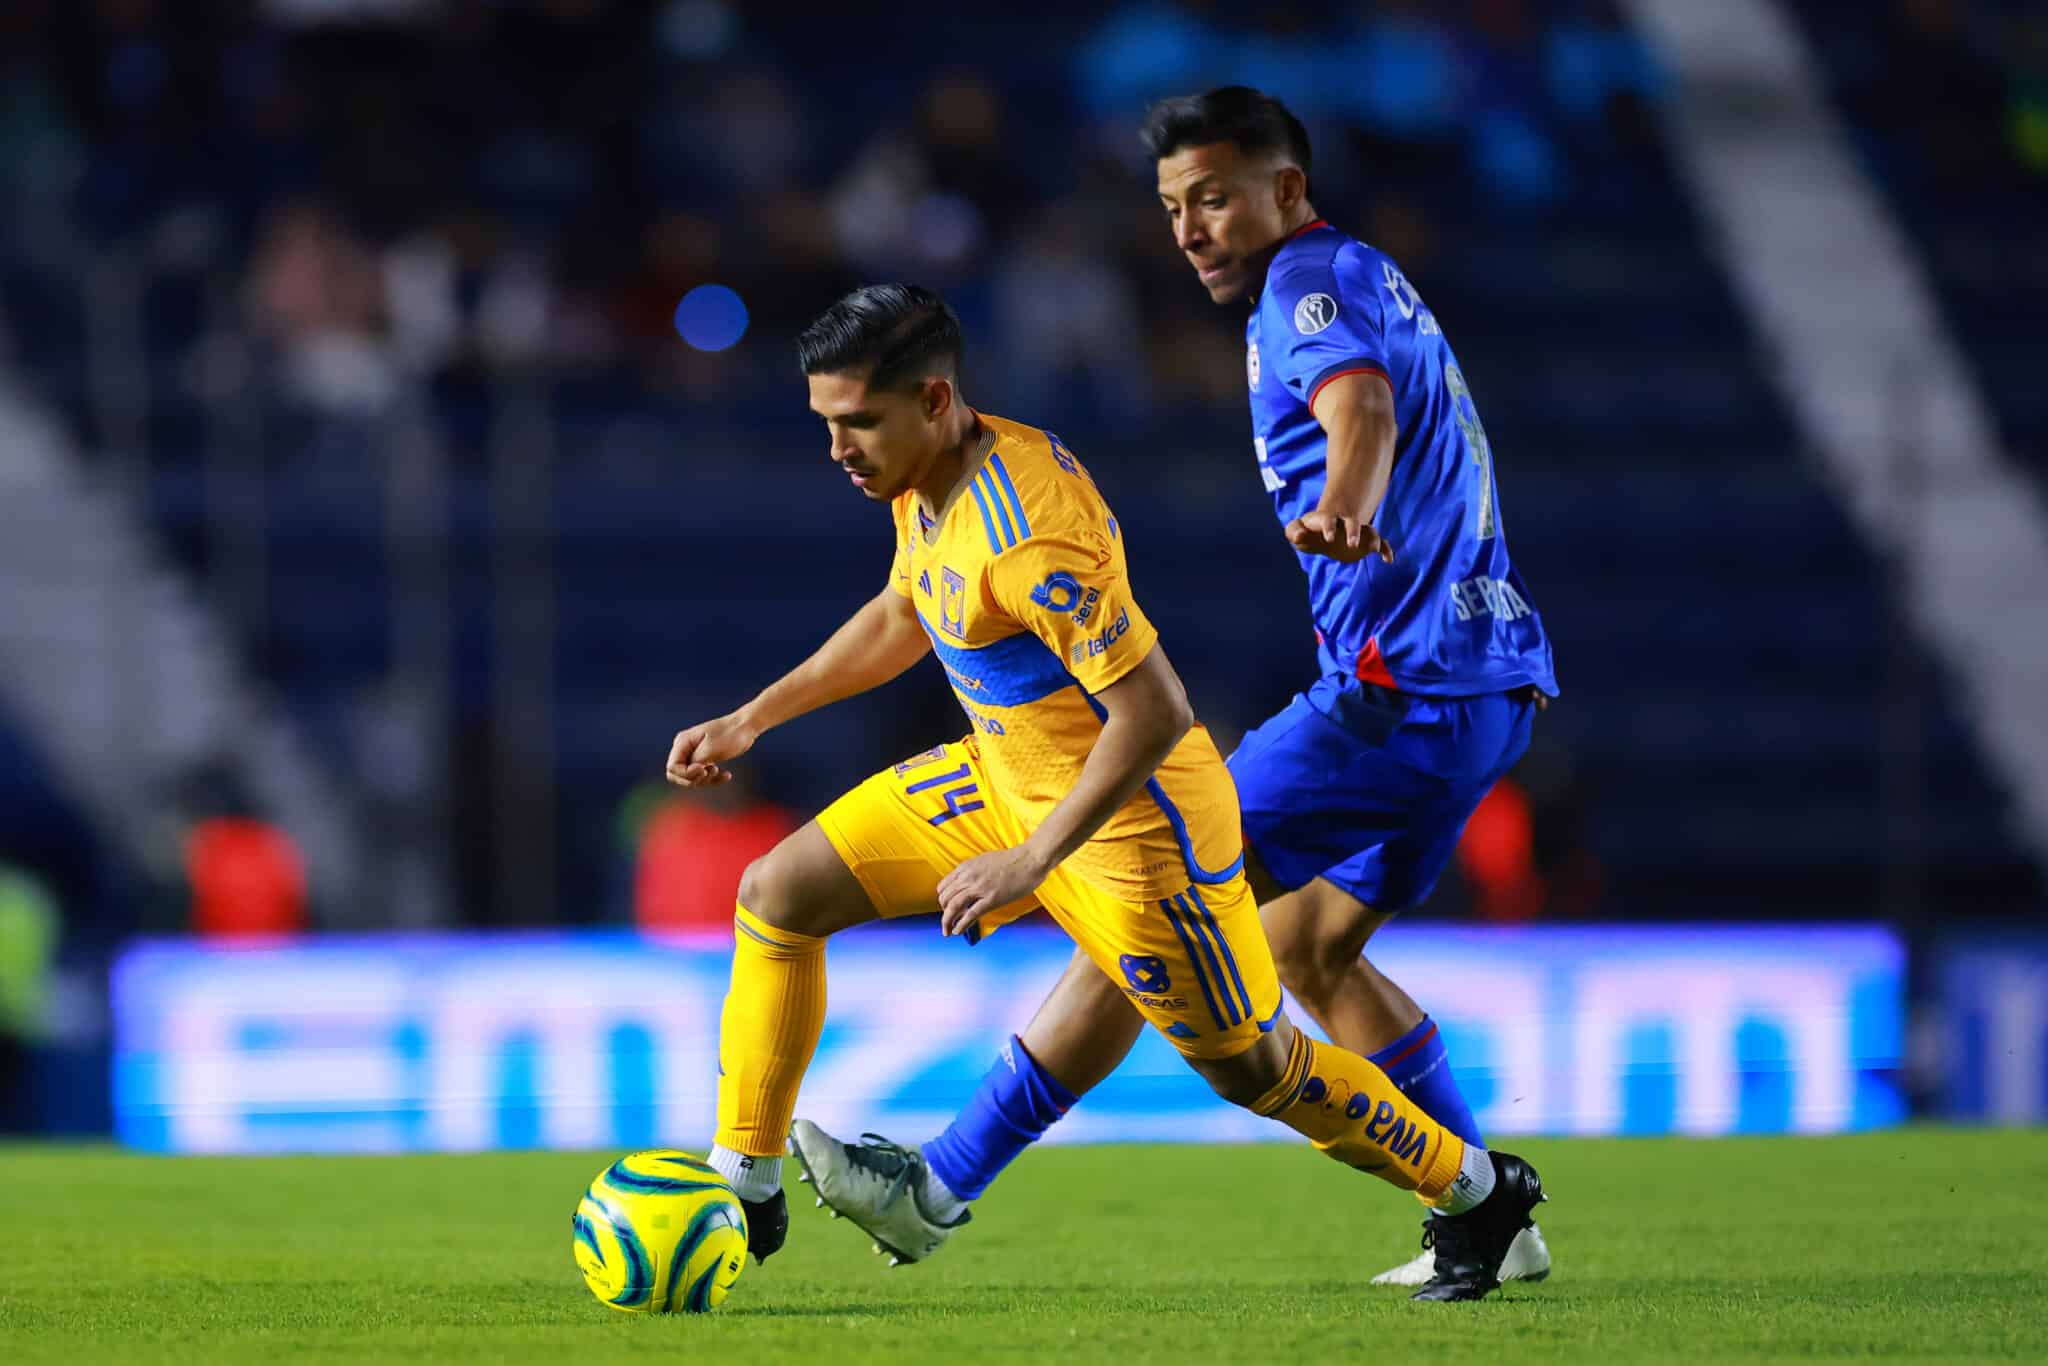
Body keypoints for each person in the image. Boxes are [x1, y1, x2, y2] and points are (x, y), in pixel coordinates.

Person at [795, 88, 1559, 1293]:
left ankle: (935, 1184)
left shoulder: (1307, 287)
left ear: (1286, 192)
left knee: (1149, 895)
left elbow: (1353, 404)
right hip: (1486, 686)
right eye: (1171, 206)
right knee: (1307, 950)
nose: (1190, 229)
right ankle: (1489, 1219)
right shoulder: (1351, 276)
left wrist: (1350, 495)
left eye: (1211, 197)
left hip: (1391, 696)